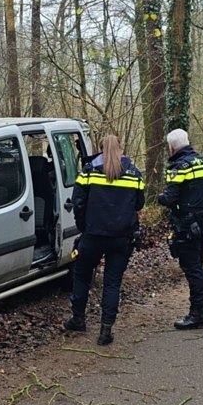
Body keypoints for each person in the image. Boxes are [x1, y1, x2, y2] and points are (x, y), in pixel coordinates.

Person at [63, 135, 145, 346]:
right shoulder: (134, 174)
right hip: (122, 238)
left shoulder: (88, 172)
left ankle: (78, 319)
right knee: (112, 283)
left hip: (93, 236)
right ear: (122, 148)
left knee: (81, 276)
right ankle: (105, 330)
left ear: (100, 149)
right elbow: (139, 205)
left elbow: (77, 203)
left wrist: (84, 228)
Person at [158, 129, 203, 330]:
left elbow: (170, 198)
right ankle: (201, 311)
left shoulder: (179, 167)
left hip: (186, 224)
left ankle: (197, 315)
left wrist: (159, 197)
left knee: (192, 267)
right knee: (197, 264)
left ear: (172, 147)